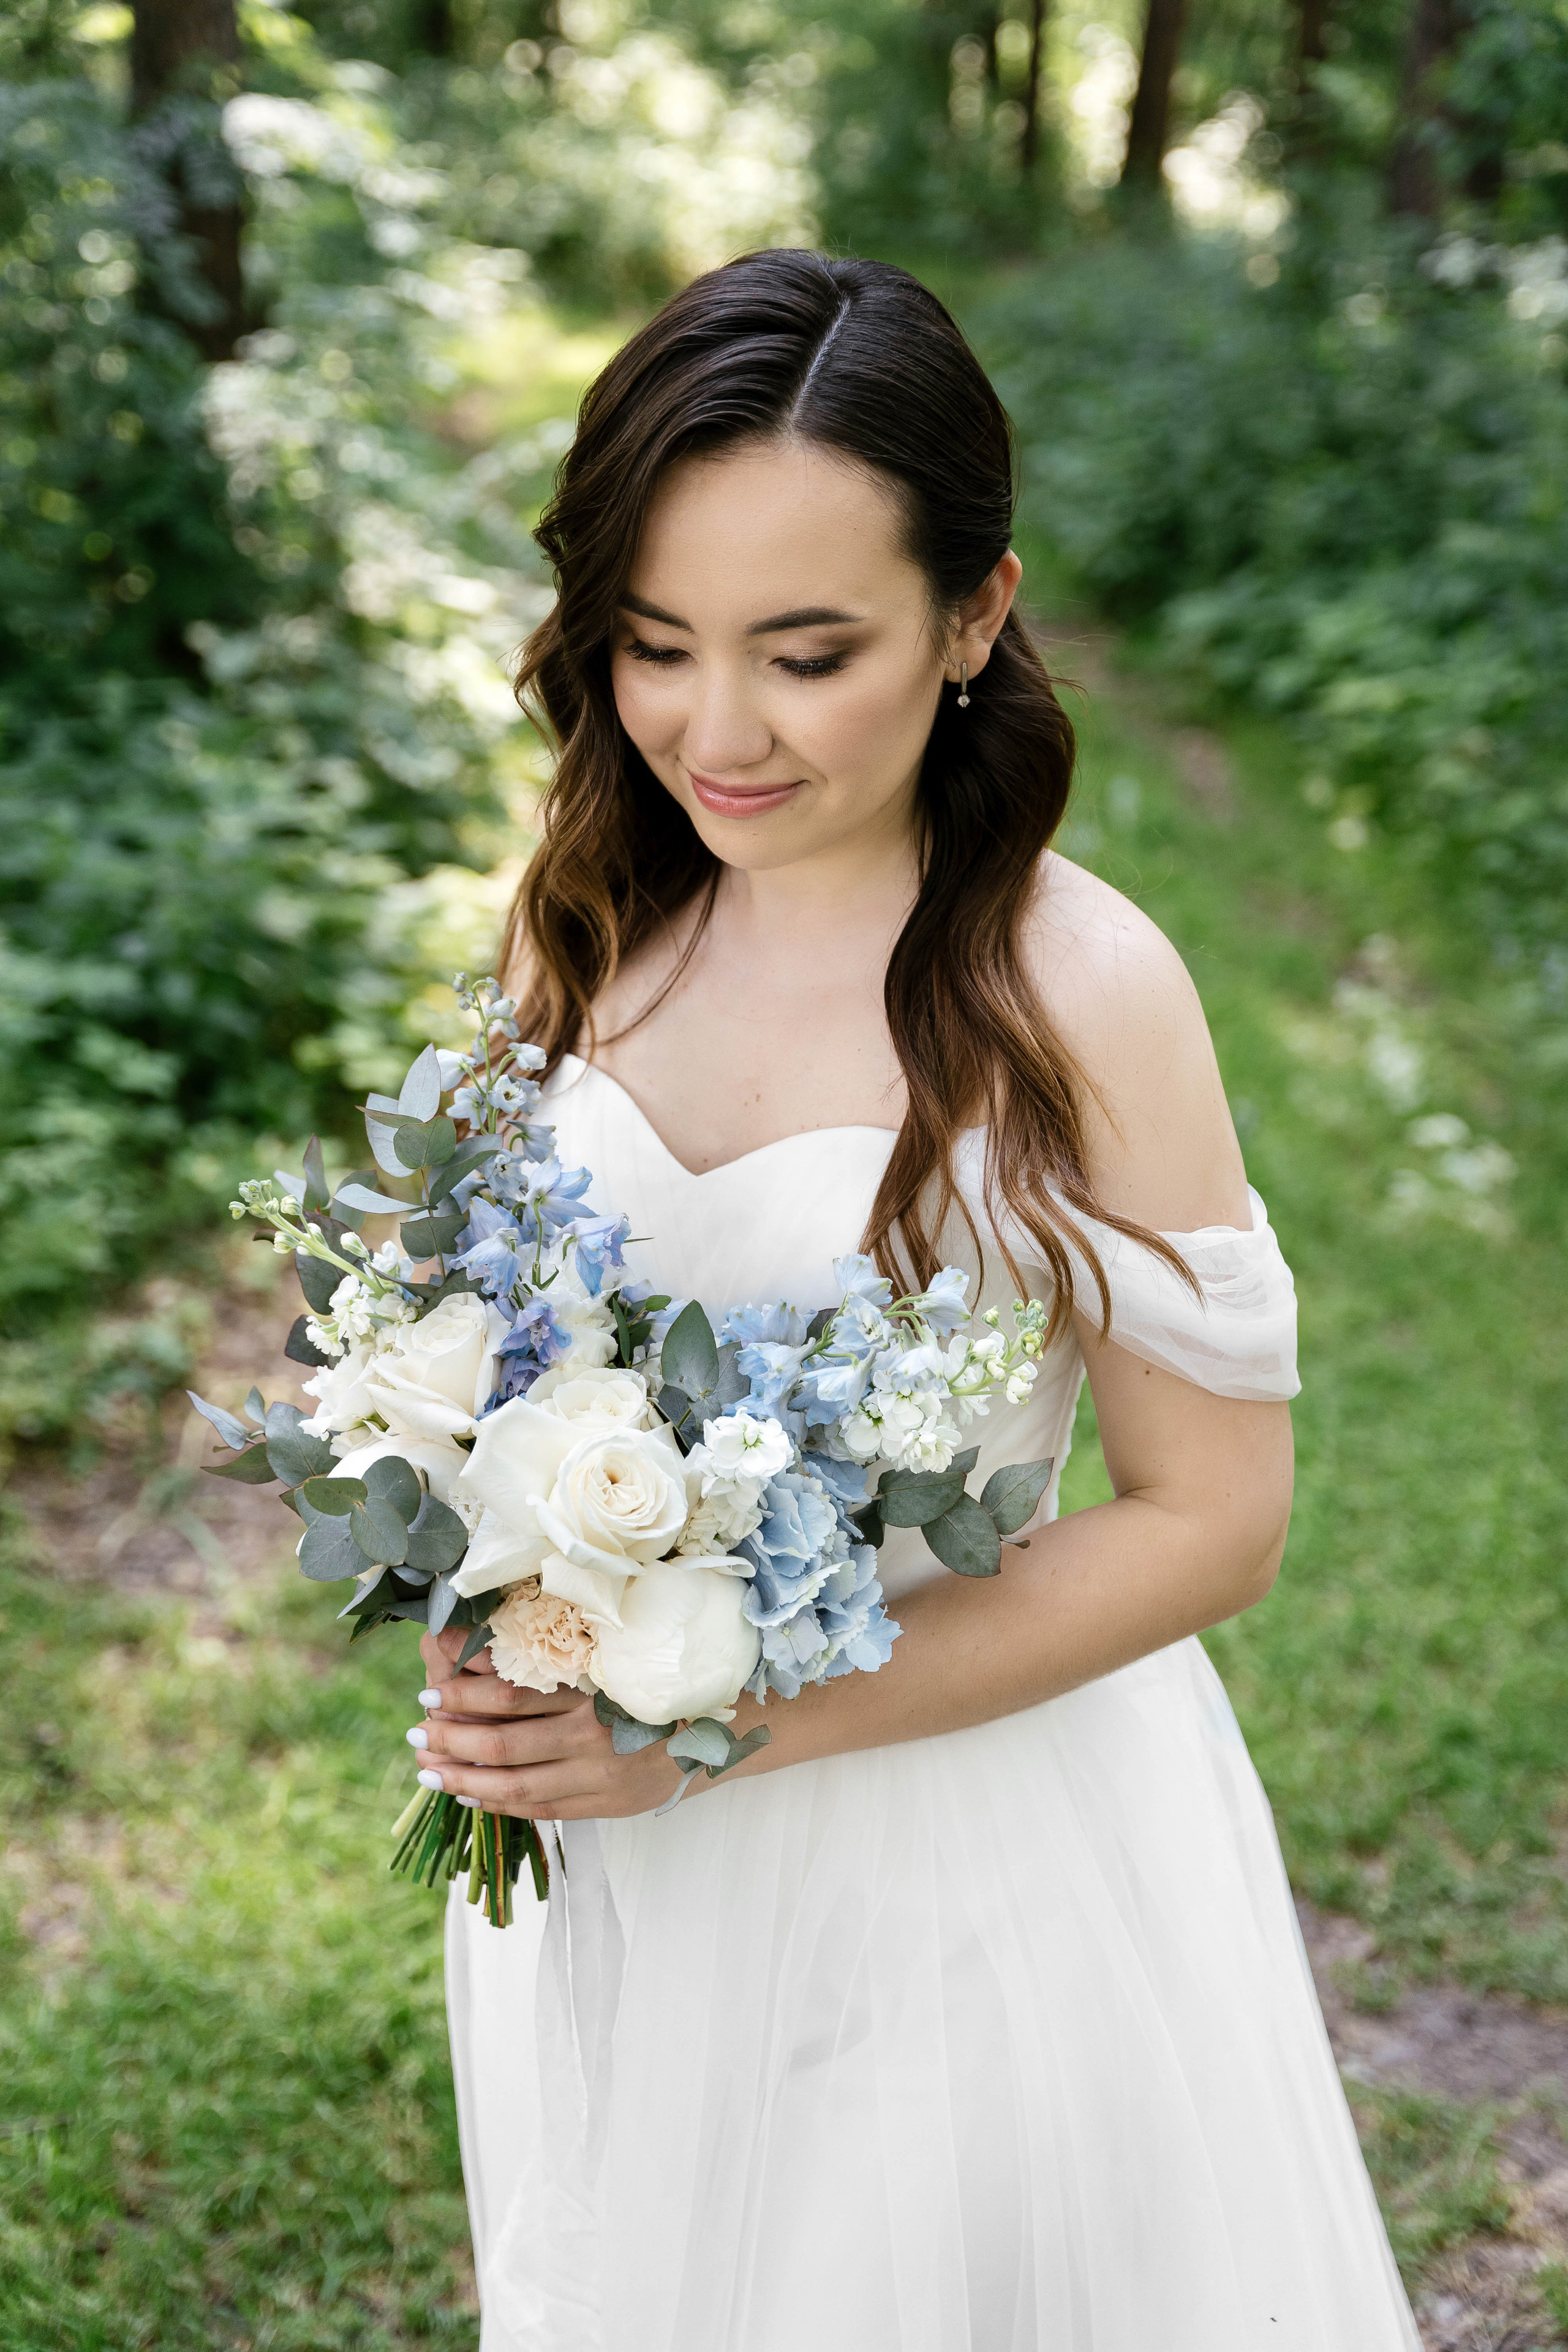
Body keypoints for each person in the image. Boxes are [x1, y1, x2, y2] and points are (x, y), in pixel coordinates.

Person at [413, 250, 1420, 2351]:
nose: (714, 729)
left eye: (807, 653)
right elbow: (504, 1354)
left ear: (973, 617)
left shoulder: (1080, 990)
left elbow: (1215, 1517)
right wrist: (497, 1596)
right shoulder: (592, 920)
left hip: (957, 1856)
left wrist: (721, 1729)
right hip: (621, 1871)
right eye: (653, 643)